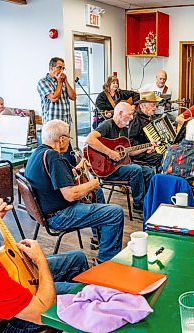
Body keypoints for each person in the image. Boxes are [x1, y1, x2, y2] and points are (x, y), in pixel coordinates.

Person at [0, 174, 89, 332]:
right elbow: (43, 311)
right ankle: (83, 313)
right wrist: (40, 259)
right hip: (5, 322)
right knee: (82, 295)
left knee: (77, 258)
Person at [25, 119, 124, 263]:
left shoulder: (38, 153)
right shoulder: (54, 157)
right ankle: (105, 261)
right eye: (68, 138)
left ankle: (99, 238)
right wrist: (93, 184)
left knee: (97, 194)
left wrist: (76, 169)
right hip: (59, 216)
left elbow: (53, 177)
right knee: (115, 212)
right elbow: (71, 195)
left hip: (46, 210)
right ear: (62, 139)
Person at [85, 102, 155, 213]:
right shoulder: (107, 125)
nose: (132, 117)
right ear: (121, 113)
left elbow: (129, 152)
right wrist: (110, 153)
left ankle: (148, 201)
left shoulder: (123, 129)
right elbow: (89, 139)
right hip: (107, 169)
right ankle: (138, 204)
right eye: (130, 114)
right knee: (135, 169)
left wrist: (146, 148)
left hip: (119, 166)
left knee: (149, 171)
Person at [37, 57, 77, 166]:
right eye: (59, 68)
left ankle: (72, 176)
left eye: (63, 68)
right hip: (52, 129)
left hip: (65, 126)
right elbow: (54, 97)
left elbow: (73, 97)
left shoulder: (62, 81)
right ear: (51, 68)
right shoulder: (43, 82)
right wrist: (60, 83)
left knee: (69, 158)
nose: (61, 71)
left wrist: (66, 82)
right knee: (55, 157)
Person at [127, 91, 164, 169]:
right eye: (153, 105)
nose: (155, 108)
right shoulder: (136, 119)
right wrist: (145, 148)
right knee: (164, 157)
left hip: (151, 149)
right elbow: (131, 141)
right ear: (142, 105)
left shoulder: (150, 117)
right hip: (141, 153)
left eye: (156, 105)